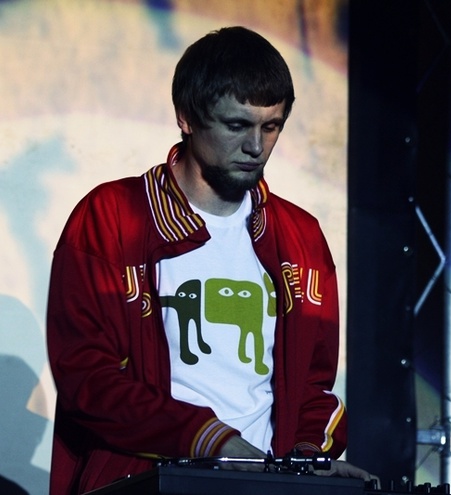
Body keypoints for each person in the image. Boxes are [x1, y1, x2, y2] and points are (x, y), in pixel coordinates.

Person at [47, 26, 376, 494]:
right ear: (186, 117)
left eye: (271, 126)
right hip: (145, 482)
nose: (256, 147)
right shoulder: (112, 217)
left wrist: (305, 461)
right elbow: (86, 379)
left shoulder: (299, 237)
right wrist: (210, 440)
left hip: (263, 487)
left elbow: (311, 387)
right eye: (236, 126)